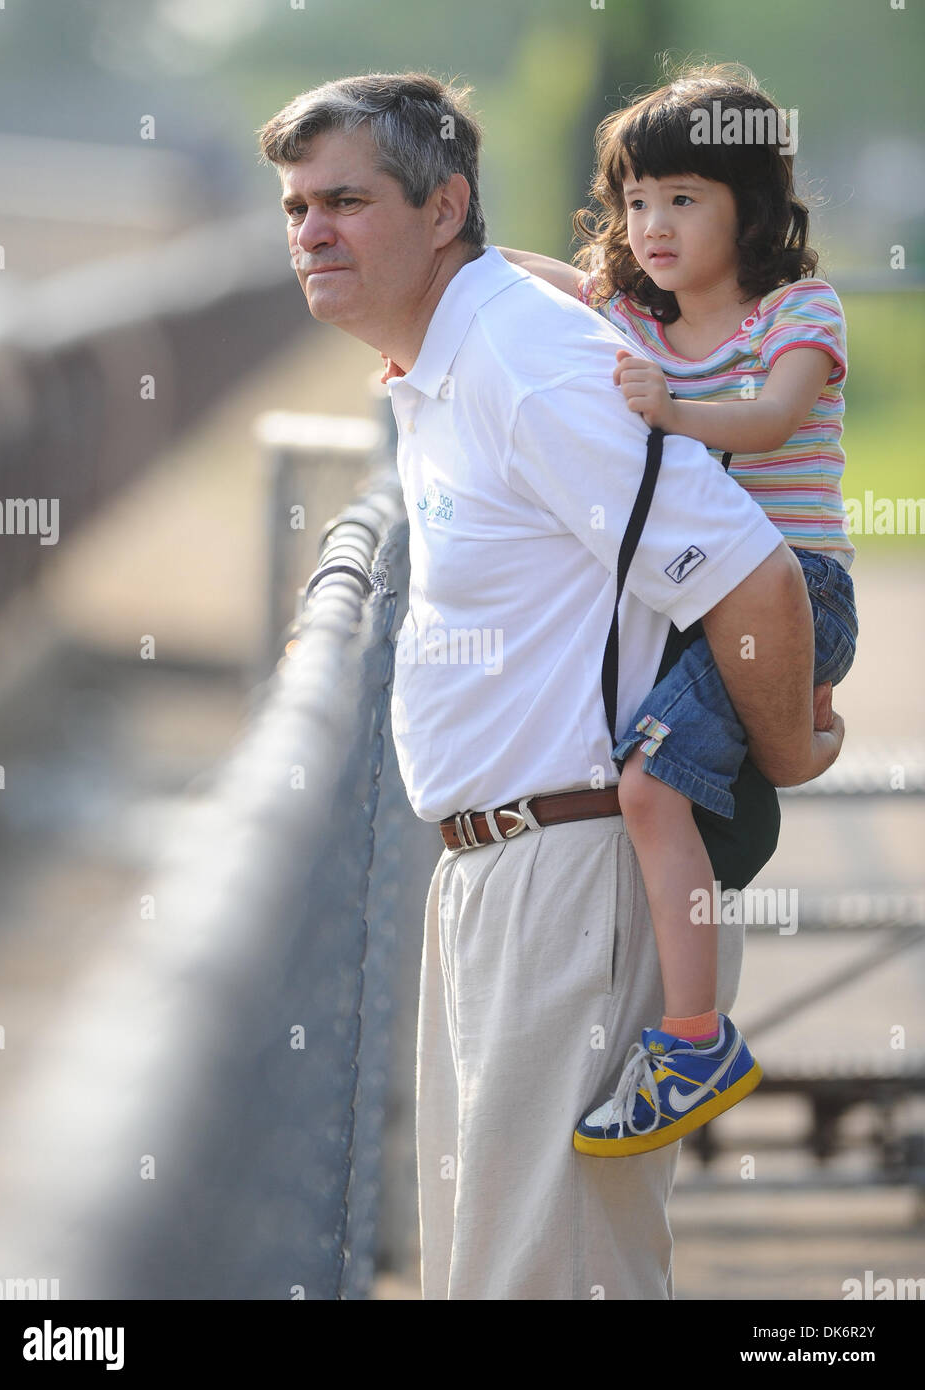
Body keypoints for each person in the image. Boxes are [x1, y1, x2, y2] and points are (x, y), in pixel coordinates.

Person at [257, 71, 844, 1300]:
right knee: (492, 1276)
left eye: (347, 201)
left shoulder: (526, 364)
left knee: (554, 1282)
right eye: (298, 206)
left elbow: (758, 579)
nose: (311, 230)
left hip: (573, 876)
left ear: (445, 205)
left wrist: (784, 751)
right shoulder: (453, 353)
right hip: (497, 872)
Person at [497, 63, 858, 1157]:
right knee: (644, 781)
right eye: (635, 199)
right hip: (692, 600)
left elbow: (771, 419)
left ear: (748, 204)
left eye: (683, 198)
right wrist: (424, 300)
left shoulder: (796, 310)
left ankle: (695, 1039)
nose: (651, 224)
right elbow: (523, 276)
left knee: (650, 785)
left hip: (791, 588)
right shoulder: (634, 320)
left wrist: (674, 407)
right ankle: (796, 741)